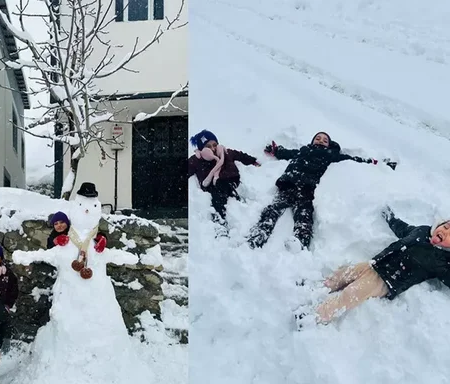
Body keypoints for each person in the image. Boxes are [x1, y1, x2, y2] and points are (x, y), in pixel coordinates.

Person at [311, 208, 450, 324]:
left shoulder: (442, 261)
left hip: (385, 281)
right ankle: (317, 289)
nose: (445, 232)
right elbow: (403, 229)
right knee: (343, 274)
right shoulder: (422, 230)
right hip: (375, 264)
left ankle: (317, 316)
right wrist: (390, 218)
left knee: (350, 294)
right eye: (446, 226)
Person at [248, 132, 381, 250]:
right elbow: (288, 153)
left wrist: (371, 162)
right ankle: (260, 233)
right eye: (318, 138)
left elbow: (352, 159)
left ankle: (300, 241)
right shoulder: (303, 150)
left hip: (308, 188)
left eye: (325, 140)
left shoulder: (331, 155)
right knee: (273, 208)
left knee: (304, 215)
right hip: (289, 183)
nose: (321, 141)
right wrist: (277, 150)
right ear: (312, 141)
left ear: (329, 145)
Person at [188, 129, 261, 226]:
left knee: (229, 190)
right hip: (213, 186)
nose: (213, 149)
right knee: (217, 197)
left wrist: (253, 161)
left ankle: (245, 211)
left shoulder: (226, 153)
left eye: (215, 145)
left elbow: (240, 155)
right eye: (208, 147)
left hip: (231, 180)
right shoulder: (197, 160)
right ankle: (220, 221)